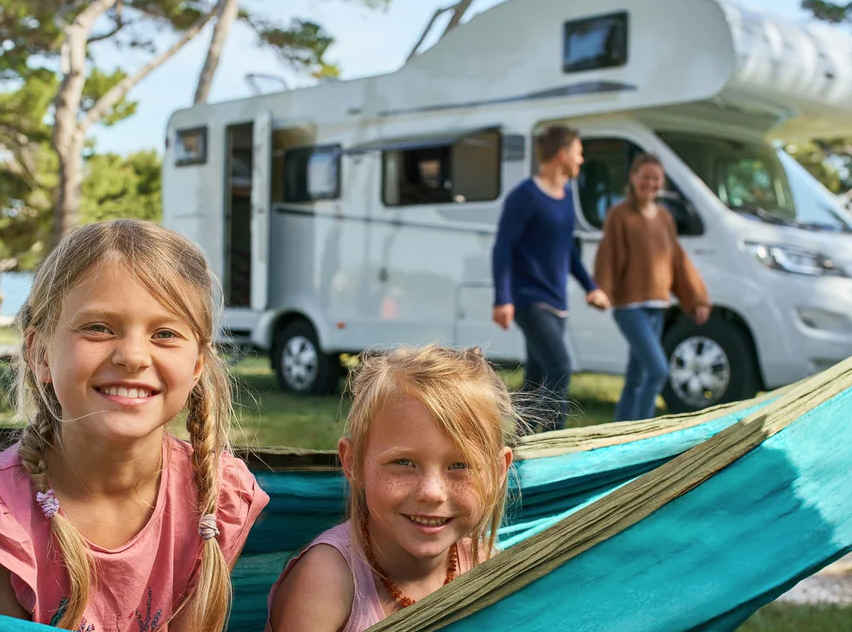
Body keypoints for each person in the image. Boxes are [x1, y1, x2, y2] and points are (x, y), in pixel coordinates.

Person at [0, 219, 270, 632]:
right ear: (40, 354)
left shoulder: (217, 499)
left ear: (196, 366)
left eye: (164, 333)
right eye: (98, 328)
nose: (133, 356)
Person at [265, 344, 522, 632]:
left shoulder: (484, 567)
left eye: (460, 466)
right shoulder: (327, 580)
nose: (432, 492)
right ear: (353, 463)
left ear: (499, 471)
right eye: (404, 462)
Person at [491, 125, 610, 433]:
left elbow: (567, 250)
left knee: (537, 377)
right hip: (530, 300)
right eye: (578, 153)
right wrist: (503, 298)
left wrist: (591, 287)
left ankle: (519, 442)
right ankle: (553, 440)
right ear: (562, 155)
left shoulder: (566, 197)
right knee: (560, 366)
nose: (581, 160)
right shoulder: (525, 197)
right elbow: (502, 247)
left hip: (557, 302)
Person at [593, 153, 711, 422]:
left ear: (662, 182)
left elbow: (678, 260)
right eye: (645, 177)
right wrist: (601, 289)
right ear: (633, 178)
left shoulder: (664, 217)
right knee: (658, 370)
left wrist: (697, 300)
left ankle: (617, 433)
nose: (650, 183)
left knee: (637, 375)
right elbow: (608, 255)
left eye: (656, 179)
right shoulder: (620, 214)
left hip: (657, 307)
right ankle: (642, 429)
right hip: (630, 308)